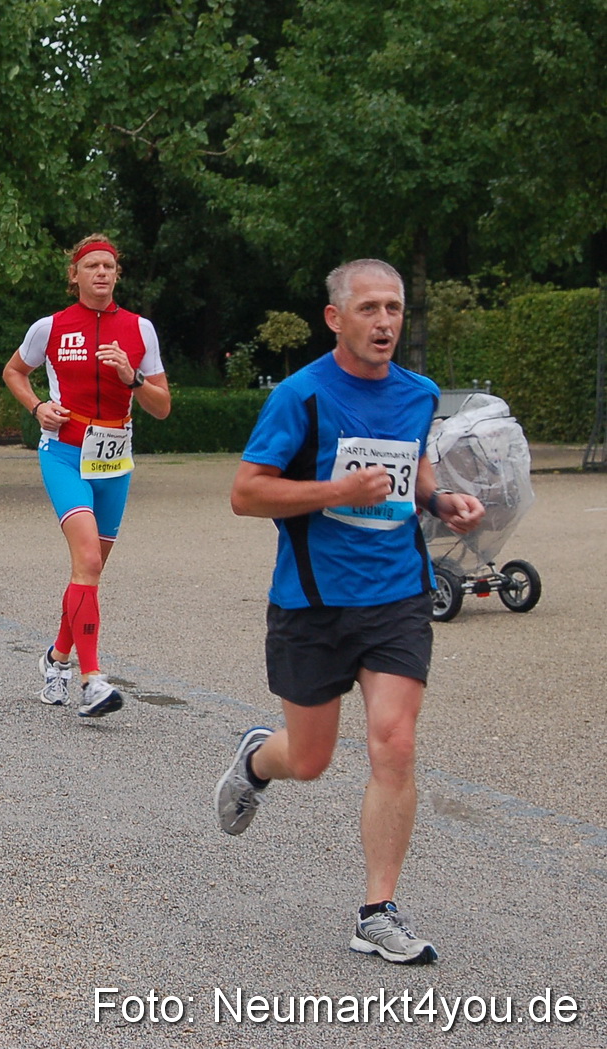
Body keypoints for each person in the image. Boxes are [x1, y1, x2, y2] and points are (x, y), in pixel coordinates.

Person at [216, 258, 484, 965]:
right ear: (335, 317)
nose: (385, 322)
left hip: (396, 596)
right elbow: (246, 493)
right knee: (309, 758)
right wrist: (335, 492)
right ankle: (257, 759)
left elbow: (414, 473)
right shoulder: (301, 397)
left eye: (393, 307)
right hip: (312, 602)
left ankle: (377, 909)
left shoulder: (420, 394)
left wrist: (441, 503)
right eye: (369, 308)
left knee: (394, 740)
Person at [2, 236, 171, 718]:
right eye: (91, 265)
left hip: (115, 458)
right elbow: (14, 372)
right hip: (64, 454)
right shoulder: (50, 327)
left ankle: (56, 659)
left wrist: (133, 379)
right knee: (89, 561)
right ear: (74, 275)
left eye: (109, 266)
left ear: (117, 275)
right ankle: (92, 680)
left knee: (89, 572)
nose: (101, 273)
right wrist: (38, 406)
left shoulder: (140, 330)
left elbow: (162, 406)